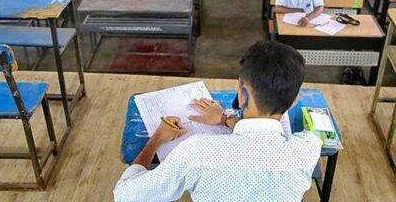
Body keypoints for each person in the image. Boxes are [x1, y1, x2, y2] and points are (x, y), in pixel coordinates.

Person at [113, 40, 320, 201]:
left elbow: (125, 196)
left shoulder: (196, 153)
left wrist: (157, 138)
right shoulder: (307, 150)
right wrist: (224, 119)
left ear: (242, 95)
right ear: (294, 101)